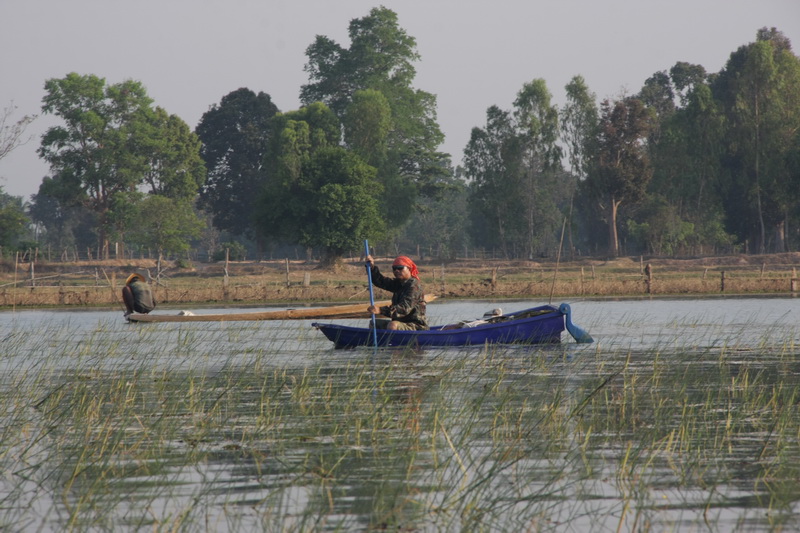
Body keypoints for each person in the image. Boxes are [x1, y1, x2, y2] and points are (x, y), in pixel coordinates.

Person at [365, 254, 429, 331]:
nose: (396, 271)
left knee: (393, 325)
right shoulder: (399, 284)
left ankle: (395, 342)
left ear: (409, 269)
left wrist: (380, 310)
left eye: (400, 268)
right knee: (374, 323)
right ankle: (380, 342)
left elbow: (404, 309)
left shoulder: (414, 287)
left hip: (417, 326)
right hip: (400, 323)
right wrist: (372, 268)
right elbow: (381, 281)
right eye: (394, 268)